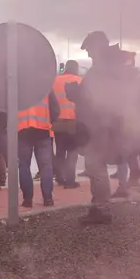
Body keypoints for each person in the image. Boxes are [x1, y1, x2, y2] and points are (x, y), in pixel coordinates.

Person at [75, 31, 132, 224]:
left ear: (97, 47)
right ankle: (98, 205)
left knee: (95, 165)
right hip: (100, 124)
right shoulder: (111, 66)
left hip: (99, 125)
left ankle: (101, 208)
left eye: (90, 49)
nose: (89, 54)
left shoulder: (104, 68)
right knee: (94, 166)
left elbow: (100, 99)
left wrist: (77, 95)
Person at [17, 92, 60, 208]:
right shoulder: (45, 86)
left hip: (23, 130)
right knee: (45, 166)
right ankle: (48, 198)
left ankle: (27, 200)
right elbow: (55, 109)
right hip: (42, 130)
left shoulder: (17, 87)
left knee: (24, 166)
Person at [53, 60, 83, 189]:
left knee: (60, 151)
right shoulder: (80, 81)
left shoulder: (55, 81)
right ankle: (70, 180)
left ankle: (60, 177)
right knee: (72, 152)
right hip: (73, 121)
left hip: (58, 121)